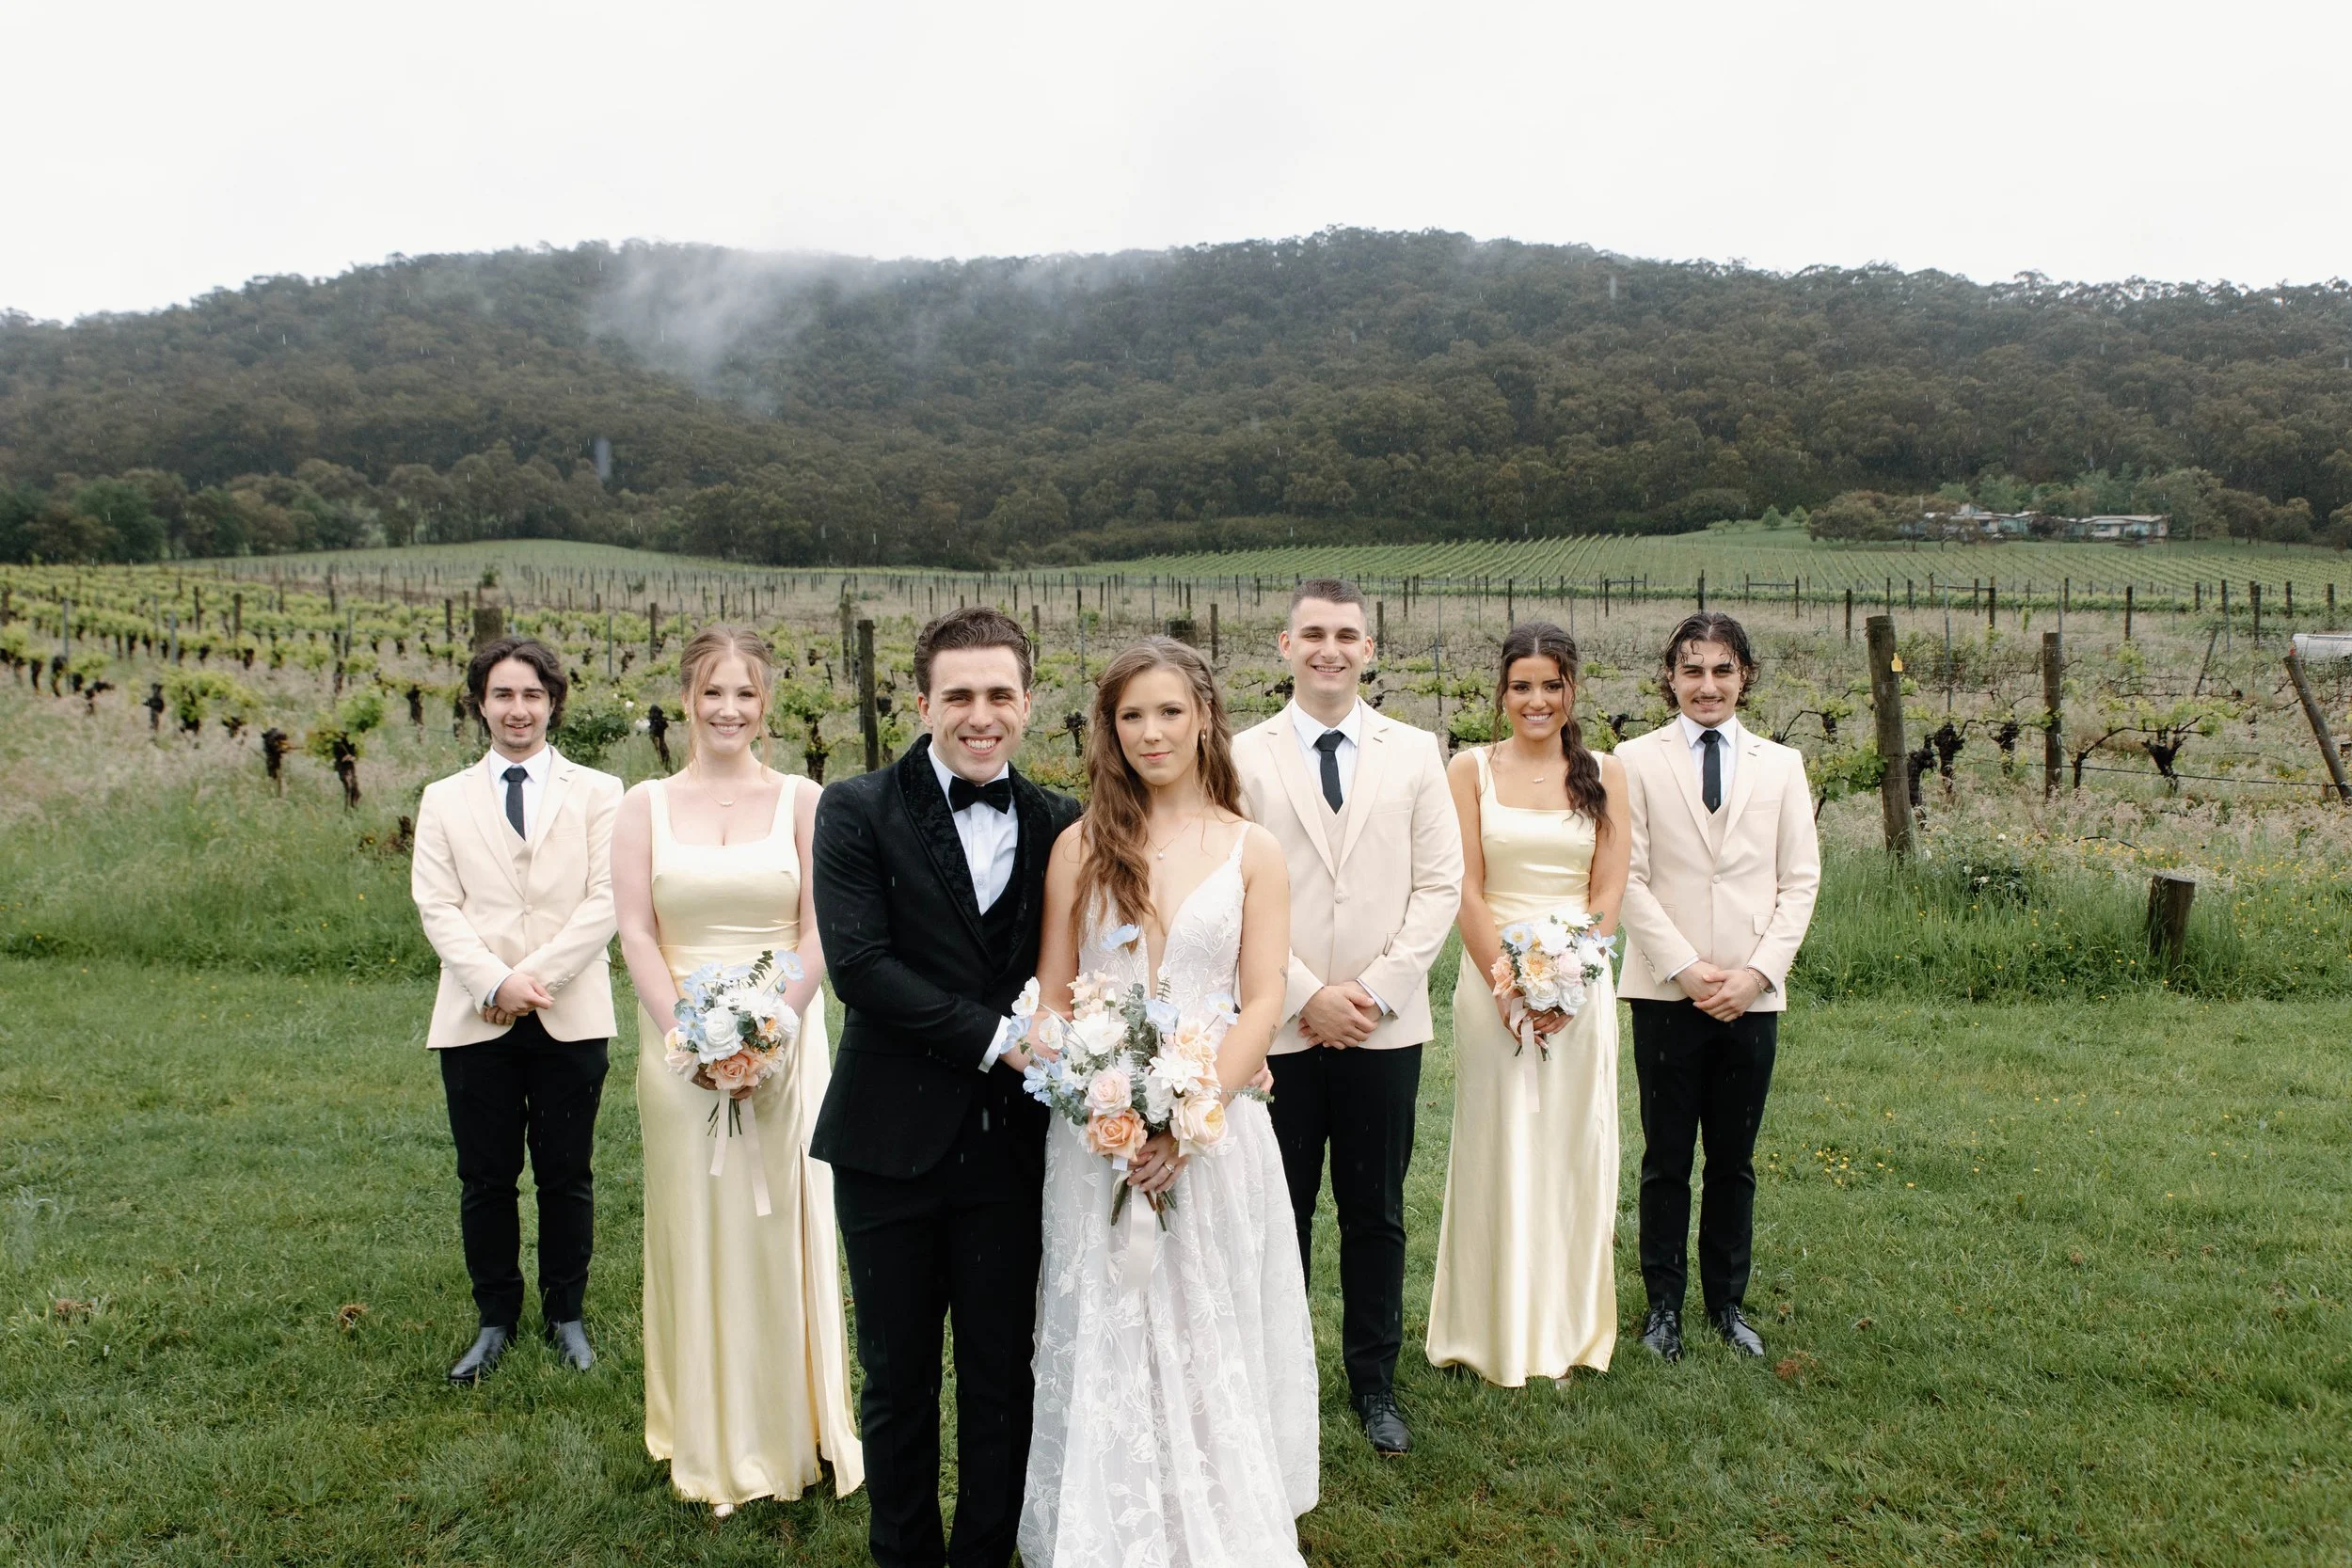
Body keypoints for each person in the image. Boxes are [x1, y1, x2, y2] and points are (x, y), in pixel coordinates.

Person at [1020, 636, 1316, 1568]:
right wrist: (1100, 1104)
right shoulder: (1078, 845)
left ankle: (1217, 1516)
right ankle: (1115, 1520)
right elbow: (1055, 996)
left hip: (1216, 1124)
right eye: (1130, 714)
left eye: (1168, 711)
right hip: (1098, 1137)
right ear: (1110, 729)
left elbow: (1263, 994)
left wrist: (1190, 1116)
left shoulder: (1249, 846)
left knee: (1206, 1320)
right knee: (1115, 1317)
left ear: (1203, 717)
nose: (1151, 731)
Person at [810, 607, 1081, 1568]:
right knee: (897, 1379)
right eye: (958, 695)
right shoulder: (854, 807)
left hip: (1012, 1148)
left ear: (1028, 703)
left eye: (999, 694)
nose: (980, 714)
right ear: (921, 701)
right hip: (887, 1142)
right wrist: (1002, 1039)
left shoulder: (1062, 823)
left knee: (1003, 1374)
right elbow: (861, 967)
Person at [612, 626, 862, 1513]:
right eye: (713, 692)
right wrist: (691, 1033)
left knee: (779, 1219)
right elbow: (637, 928)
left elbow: (820, 928)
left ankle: (790, 1424)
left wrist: (770, 1031)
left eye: (745, 694)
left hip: (785, 1035)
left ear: (767, 703)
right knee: (695, 1218)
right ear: (686, 697)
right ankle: (705, 1424)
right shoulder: (643, 804)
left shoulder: (804, 798)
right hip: (676, 1046)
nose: (728, 709)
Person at [1232, 578, 1462, 1456]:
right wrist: (1303, 994)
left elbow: (1440, 882)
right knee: (1276, 1208)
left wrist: (1376, 991)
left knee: (1376, 1210)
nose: (1331, 648)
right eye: (1314, 634)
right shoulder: (1241, 754)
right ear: (1284, 647)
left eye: (1348, 635)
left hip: (1381, 1027)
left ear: (1371, 649)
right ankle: (1269, 1375)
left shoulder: (1415, 751)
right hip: (1275, 1026)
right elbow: (1232, 883)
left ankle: (1375, 1381)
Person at [409, 635, 621, 1385]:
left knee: (568, 1173)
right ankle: (495, 1316)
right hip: (476, 1020)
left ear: (553, 702)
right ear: (480, 703)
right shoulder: (442, 798)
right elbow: (436, 905)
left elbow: (607, 899)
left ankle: (568, 1313)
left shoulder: (602, 791)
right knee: (486, 1176)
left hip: (570, 1013)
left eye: (532, 694)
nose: (518, 708)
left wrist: (531, 978)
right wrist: (492, 983)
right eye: (502, 694)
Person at [1424, 624, 1629, 1386]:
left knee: (1572, 1149)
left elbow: (1607, 891)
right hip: (1492, 985)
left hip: (1580, 993)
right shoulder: (1469, 769)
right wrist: (1508, 985)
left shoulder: (1607, 772)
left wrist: (1570, 981)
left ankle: (1567, 1329)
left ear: (1572, 690)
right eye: (1522, 686)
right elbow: (1464, 888)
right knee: (1497, 1143)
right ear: (1502, 692)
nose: (1536, 700)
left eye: (1552, 685)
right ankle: (1486, 1331)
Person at [1615, 612, 1820, 1362]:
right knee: (1666, 1156)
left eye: (1723, 670)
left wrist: (1756, 973)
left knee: (1733, 1159)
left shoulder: (1782, 765)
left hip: (1751, 995)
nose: (1708, 685)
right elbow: (1628, 879)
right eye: (1692, 669)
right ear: (1670, 676)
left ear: (1746, 677)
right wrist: (1686, 968)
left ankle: (1726, 1303)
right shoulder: (1632, 760)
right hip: (1667, 992)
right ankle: (1662, 1306)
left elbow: (1799, 881)